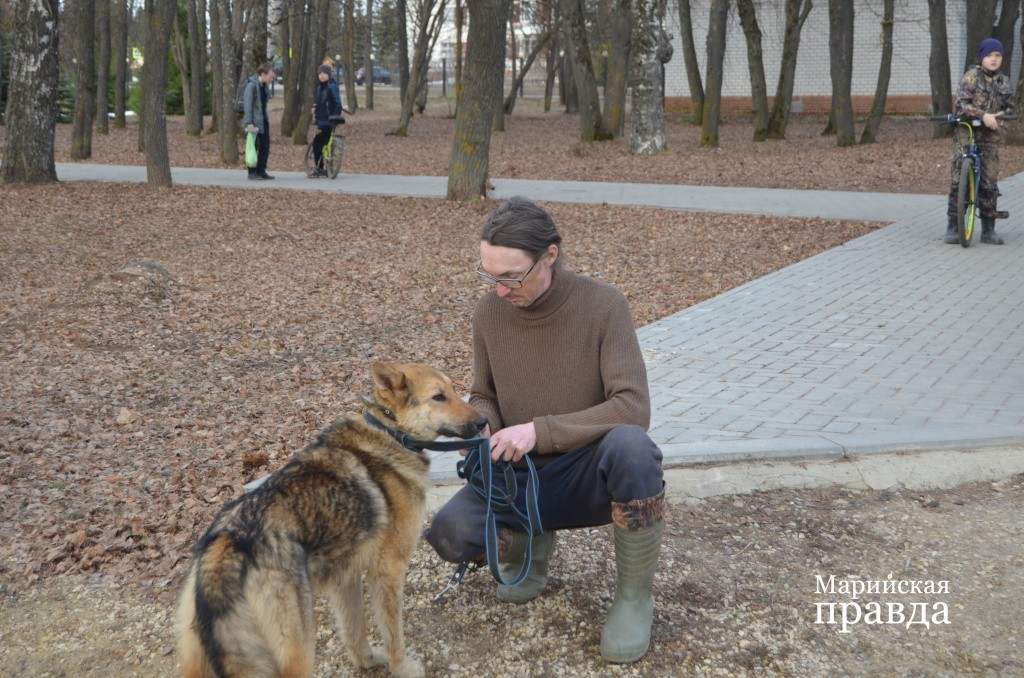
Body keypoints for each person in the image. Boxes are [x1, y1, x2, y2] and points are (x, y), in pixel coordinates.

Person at [424, 197, 666, 664]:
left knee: (633, 448)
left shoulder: (604, 305)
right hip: (517, 479)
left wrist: (540, 431)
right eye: (488, 275)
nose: (499, 290)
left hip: (585, 473)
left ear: (549, 256)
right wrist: (483, 426)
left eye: (511, 277)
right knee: (450, 535)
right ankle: (530, 545)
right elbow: (485, 393)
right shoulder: (488, 313)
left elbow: (633, 406)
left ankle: (635, 598)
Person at [944, 38, 1014, 244]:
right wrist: (984, 116)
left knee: (989, 183)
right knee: (958, 181)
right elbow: (962, 104)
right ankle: (953, 227)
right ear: (982, 57)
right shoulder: (971, 77)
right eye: (990, 55)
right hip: (968, 132)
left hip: (991, 136)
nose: (994, 59)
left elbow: (1011, 107)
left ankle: (988, 230)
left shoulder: (1004, 81)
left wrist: (999, 117)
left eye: (998, 55)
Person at [241, 63, 276, 181]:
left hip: (263, 120)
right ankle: (252, 172)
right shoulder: (251, 86)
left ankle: (261, 170)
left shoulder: (264, 86)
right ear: (263, 74)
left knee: (265, 146)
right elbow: (248, 106)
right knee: (253, 146)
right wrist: (249, 123)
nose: (272, 79)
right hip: (253, 122)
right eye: (271, 76)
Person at [310, 64, 342, 177]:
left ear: (328, 74)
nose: (322, 76)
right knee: (321, 143)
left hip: (329, 120)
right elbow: (320, 102)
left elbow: (338, 103)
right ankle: (323, 167)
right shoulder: (319, 88)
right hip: (321, 119)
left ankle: (319, 168)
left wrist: (335, 116)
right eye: (320, 74)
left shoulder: (332, 86)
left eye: (324, 74)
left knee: (316, 143)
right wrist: (315, 107)